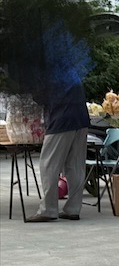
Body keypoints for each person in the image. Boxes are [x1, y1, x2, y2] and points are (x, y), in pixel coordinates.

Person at [26, 80, 91, 222]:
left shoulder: (49, 71)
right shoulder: (69, 69)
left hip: (61, 120)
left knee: (48, 165)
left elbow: (40, 97)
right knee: (75, 166)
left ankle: (48, 210)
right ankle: (73, 209)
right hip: (81, 119)